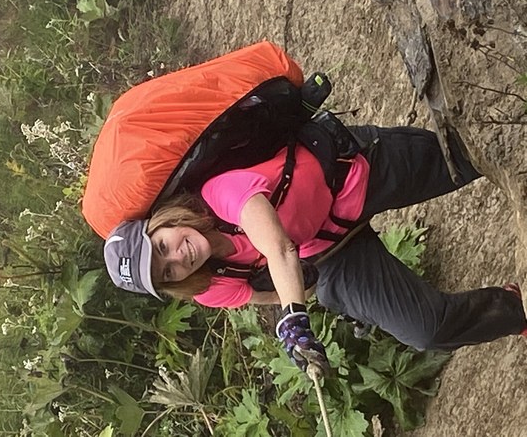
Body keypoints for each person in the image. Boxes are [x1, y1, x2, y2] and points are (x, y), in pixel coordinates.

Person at [103, 121, 527, 373]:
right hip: (329, 251)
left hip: (354, 174)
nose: (178, 257)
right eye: (168, 272)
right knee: (425, 330)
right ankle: (514, 308)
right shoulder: (212, 286)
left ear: (165, 223)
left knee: (477, 157)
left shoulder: (219, 193)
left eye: (162, 247)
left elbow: (279, 250)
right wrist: (310, 314)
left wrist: (293, 320)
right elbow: (278, 291)